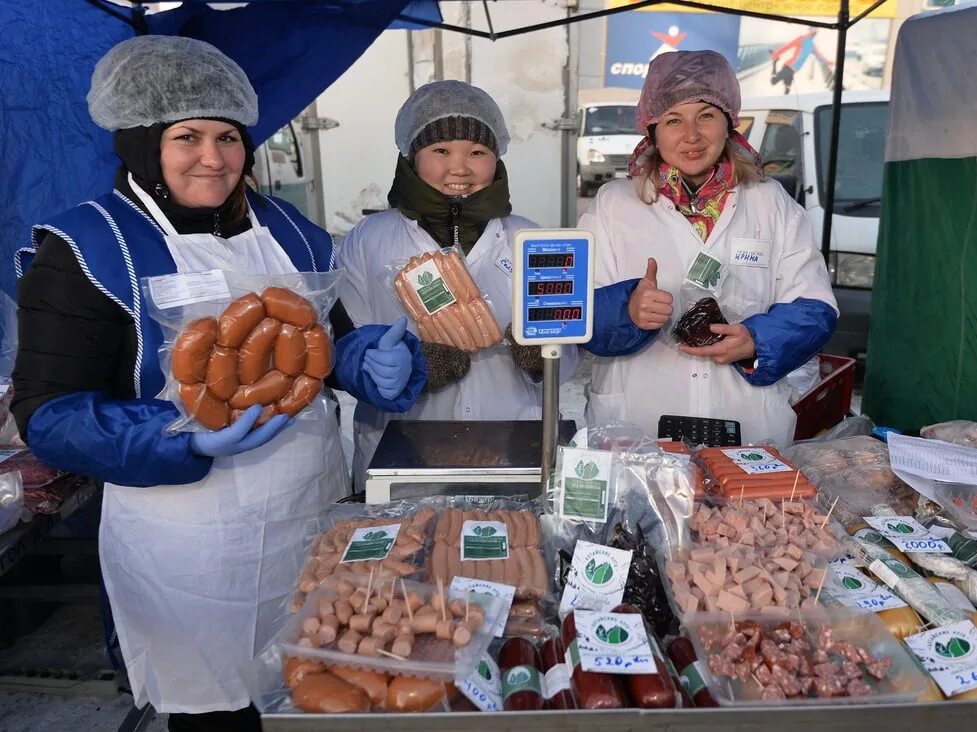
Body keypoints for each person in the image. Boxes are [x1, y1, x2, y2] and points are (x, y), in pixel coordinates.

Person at [11, 36, 426, 731]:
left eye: (228, 136)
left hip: (307, 514)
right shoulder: (88, 247)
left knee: (322, 681)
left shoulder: (292, 231)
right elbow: (48, 414)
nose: (214, 157)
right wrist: (175, 433)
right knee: (217, 714)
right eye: (188, 136)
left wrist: (362, 363)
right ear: (144, 140)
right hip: (187, 546)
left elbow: (328, 342)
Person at [581, 50, 837, 448]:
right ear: (652, 129)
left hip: (746, 420)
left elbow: (815, 306)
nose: (691, 135)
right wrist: (626, 310)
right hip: (636, 420)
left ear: (729, 122)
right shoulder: (614, 204)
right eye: (673, 120)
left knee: (745, 511)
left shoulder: (771, 203)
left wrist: (758, 340)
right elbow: (576, 309)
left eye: (706, 115)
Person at [337, 80, 579, 481]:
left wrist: (545, 355)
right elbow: (346, 344)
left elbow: (569, 349)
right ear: (412, 157)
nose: (460, 168)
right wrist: (402, 367)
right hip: (402, 449)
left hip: (514, 442)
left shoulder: (530, 240)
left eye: (477, 152)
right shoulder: (370, 240)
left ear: (496, 159)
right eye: (441, 150)